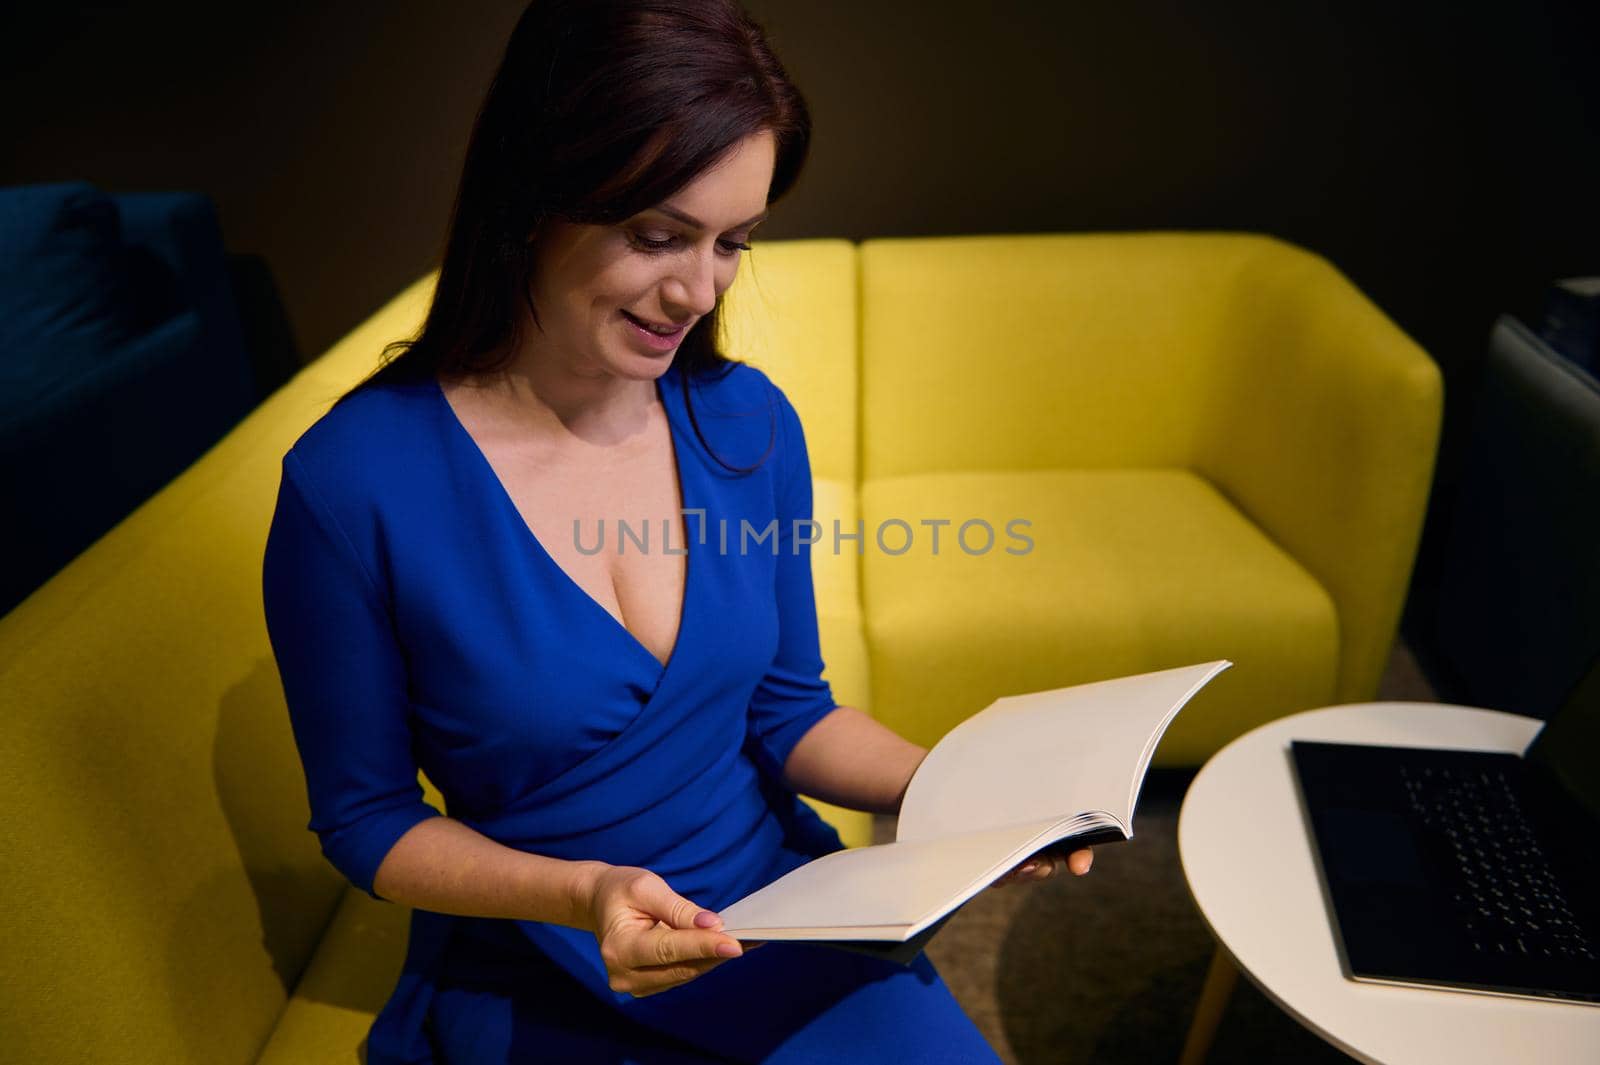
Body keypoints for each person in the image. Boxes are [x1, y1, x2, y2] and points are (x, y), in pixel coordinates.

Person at [261, 1, 1091, 1061]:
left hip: (779, 912)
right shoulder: (353, 485)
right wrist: (588, 893)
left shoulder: (747, 424)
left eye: (732, 243)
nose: (696, 290)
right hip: (551, 941)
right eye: (657, 236)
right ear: (531, 199)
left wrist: (961, 794)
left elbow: (792, 715)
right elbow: (367, 820)